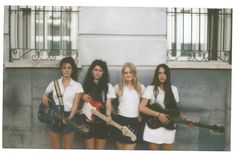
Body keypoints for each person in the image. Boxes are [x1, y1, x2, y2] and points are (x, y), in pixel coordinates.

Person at [139, 63, 192, 150]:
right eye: (159, 73)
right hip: (154, 127)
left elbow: (177, 111)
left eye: (164, 73)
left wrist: (186, 119)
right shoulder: (150, 88)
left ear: (168, 75)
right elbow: (141, 108)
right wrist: (158, 115)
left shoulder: (174, 89)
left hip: (169, 127)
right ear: (156, 75)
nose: (162, 76)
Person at [41, 57, 84, 149]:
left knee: (67, 149)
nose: (67, 70)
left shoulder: (77, 86)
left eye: (69, 68)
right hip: (54, 117)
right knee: (56, 148)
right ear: (61, 70)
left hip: (69, 117)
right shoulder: (54, 83)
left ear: (72, 70)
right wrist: (44, 96)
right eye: (64, 68)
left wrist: (70, 117)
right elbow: (45, 95)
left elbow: (75, 105)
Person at [81, 59, 116, 149]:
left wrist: (108, 115)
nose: (97, 72)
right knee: (90, 149)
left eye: (100, 70)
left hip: (102, 122)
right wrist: (82, 96)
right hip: (87, 122)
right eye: (95, 70)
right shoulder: (84, 86)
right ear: (91, 71)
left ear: (104, 72)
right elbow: (79, 103)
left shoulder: (108, 86)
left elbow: (108, 104)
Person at [113, 62, 145, 150]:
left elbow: (144, 104)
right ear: (123, 75)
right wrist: (114, 111)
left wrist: (141, 115)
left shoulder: (141, 88)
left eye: (130, 72)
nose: (128, 75)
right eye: (126, 73)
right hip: (120, 120)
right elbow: (110, 101)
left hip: (134, 121)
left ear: (134, 74)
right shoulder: (117, 87)